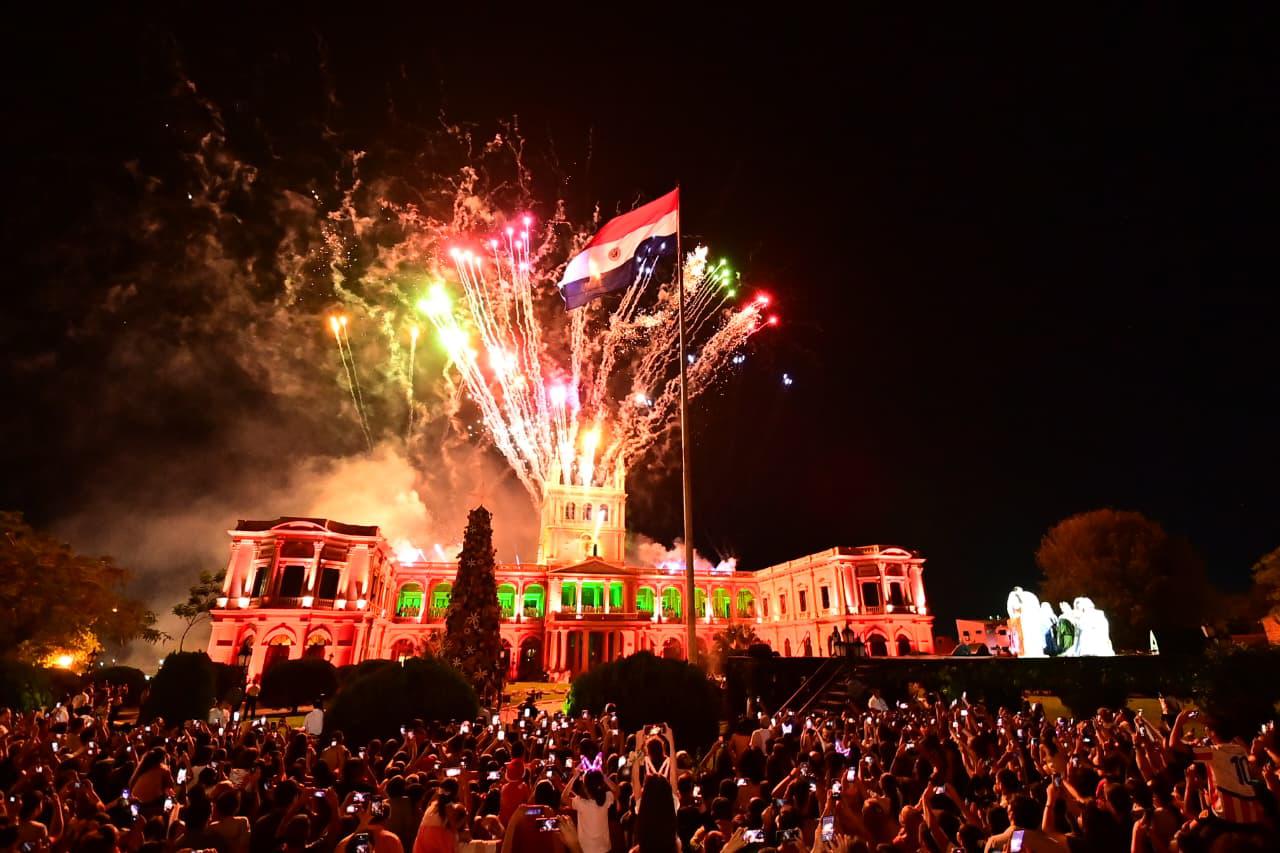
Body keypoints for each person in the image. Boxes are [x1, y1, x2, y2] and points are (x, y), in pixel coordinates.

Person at [562, 766, 617, 853]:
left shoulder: (581, 803)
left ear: (585, 787)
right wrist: (603, 776)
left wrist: (574, 777)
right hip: (605, 849)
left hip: (586, 850)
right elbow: (617, 790)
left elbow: (564, 798)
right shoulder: (606, 798)